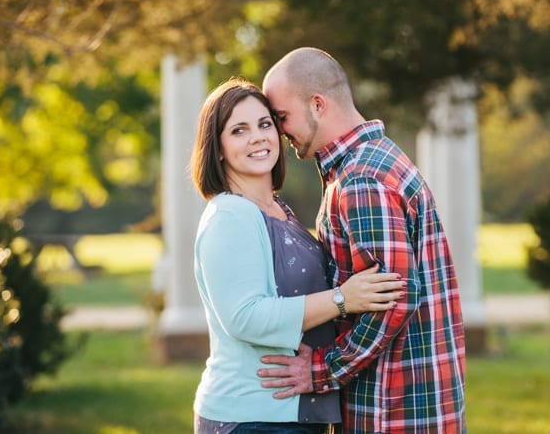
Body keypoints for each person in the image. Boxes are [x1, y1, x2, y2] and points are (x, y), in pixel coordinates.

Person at [258, 47, 467, 433]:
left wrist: (320, 371)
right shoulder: (371, 162)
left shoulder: (361, 179)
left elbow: (392, 299)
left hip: (395, 410)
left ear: (318, 105)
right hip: (408, 404)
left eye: (281, 117)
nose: (278, 131)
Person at [190, 77, 405, 434]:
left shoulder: (276, 208)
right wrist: (342, 299)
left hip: (293, 411)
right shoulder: (230, 215)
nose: (258, 137)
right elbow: (245, 317)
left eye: (264, 124)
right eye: (239, 130)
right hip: (253, 416)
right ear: (217, 149)